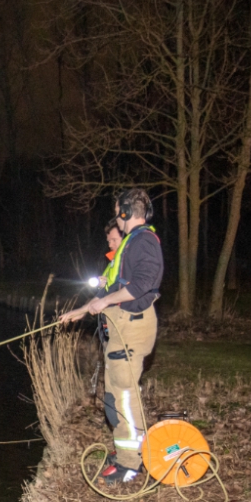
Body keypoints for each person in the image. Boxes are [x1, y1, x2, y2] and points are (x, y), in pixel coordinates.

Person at [62, 189, 163, 484]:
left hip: (132, 326)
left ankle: (131, 465)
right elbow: (111, 289)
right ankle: (126, 454)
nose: (117, 216)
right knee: (115, 396)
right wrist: (83, 310)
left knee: (125, 397)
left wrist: (105, 302)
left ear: (127, 211)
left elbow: (144, 284)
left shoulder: (143, 241)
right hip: (122, 327)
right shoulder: (130, 244)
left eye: (119, 210)